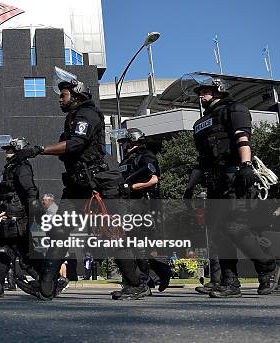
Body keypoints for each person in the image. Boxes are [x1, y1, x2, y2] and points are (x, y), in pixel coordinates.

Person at [16, 67, 146, 300]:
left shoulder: (87, 114)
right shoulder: (72, 118)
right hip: (77, 187)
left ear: (76, 95)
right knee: (58, 232)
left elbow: (76, 144)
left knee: (112, 234)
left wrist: (38, 149)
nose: (60, 98)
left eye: (63, 94)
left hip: (98, 187)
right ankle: (46, 286)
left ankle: (136, 284)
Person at [185, 76, 279, 298]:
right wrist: (190, 187)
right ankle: (230, 283)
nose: (201, 95)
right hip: (214, 180)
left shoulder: (234, 109)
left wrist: (246, 165)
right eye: (200, 91)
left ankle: (267, 268)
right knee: (219, 233)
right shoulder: (200, 123)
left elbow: (242, 138)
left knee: (235, 227)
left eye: (206, 91)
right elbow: (202, 160)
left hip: (235, 176)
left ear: (218, 91)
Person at [0, 137, 43, 297]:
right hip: (10, 216)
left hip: (19, 218)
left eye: (10, 149)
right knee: (3, 251)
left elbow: (31, 191)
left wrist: (35, 216)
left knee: (27, 256)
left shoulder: (22, 167)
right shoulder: (11, 167)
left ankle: (50, 281)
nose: (6, 151)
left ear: (18, 149)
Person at [117, 128, 172, 292]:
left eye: (125, 142)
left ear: (133, 140)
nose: (124, 145)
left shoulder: (146, 155)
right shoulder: (126, 161)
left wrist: (132, 187)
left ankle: (143, 283)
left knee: (139, 245)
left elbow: (154, 179)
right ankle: (161, 271)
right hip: (129, 206)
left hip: (143, 205)